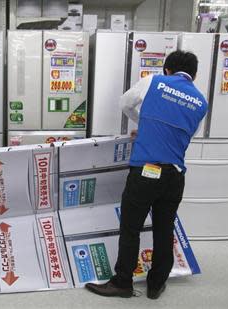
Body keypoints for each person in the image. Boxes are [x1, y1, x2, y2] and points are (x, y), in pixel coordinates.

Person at [85, 51, 208, 300]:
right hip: (175, 175)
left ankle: (122, 283)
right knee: (164, 228)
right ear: (194, 75)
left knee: (131, 227)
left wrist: (144, 125)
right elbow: (185, 135)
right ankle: (156, 285)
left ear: (168, 70)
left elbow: (125, 103)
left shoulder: (154, 81)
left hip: (146, 172)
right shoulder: (201, 102)